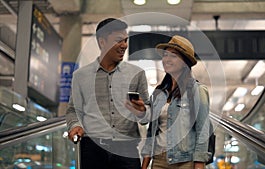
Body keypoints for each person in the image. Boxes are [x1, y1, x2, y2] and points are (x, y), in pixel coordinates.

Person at [66, 18, 149, 169]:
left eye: (125, 40)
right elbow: (73, 109)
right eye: (119, 40)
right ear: (102, 42)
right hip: (92, 149)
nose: (124, 45)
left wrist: (143, 111)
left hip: (127, 150)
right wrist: (75, 125)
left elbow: (147, 115)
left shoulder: (137, 74)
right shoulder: (80, 76)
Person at [141, 35, 212, 169]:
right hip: (159, 160)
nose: (167, 59)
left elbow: (202, 131)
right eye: (165, 55)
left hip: (185, 161)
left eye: (173, 56)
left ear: (185, 62)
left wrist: (199, 164)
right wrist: (145, 164)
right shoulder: (159, 93)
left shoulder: (197, 91)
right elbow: (151, 132)